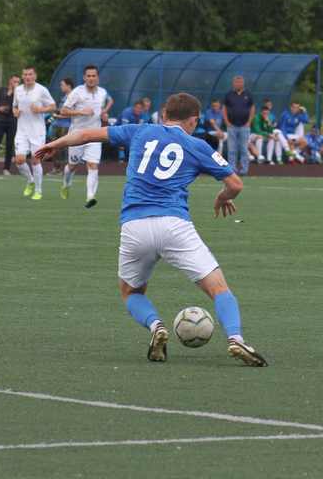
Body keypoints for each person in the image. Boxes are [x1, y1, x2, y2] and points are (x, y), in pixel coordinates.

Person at [34, 92, 267, 367]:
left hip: (134, 226)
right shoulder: (199, 145)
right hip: (174, 225)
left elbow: (85, 135)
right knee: (218, 289)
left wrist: (55, 144)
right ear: (194, 120)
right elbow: (236, 185)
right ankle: (236, 339)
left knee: (131, 292)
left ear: (164, 116)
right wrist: (222, 197)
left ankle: (156, 326)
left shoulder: (140, 131)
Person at [58, 65, 107, 207]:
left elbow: (100, 110)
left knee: (93, 165)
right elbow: (63, 111)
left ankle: (90, 196)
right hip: (77, 135)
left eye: (94, 76)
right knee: (72, 166)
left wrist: (103, 115)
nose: (91, 78)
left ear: (97, 78)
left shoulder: (102, 93)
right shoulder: (77, 92)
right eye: (88, 76)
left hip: (95, 135)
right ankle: (66, 184)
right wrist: (81, 112)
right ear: (84, 78)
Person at [12, 67, 56, 200]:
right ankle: (30, 180)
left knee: (35, 160)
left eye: (30, 74)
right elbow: (14, 106)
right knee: (19, 160)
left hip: (37, 131)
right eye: (25, 74)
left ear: (35, 76)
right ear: (22, 76)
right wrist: (15, 111)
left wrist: (40, 109)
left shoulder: (41, 90)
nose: (27, 77)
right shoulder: (18, 89)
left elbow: (53, 106)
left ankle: (38, 190)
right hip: (21, 131)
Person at [224, 75, 255, 176]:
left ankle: (244, 170)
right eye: (236, 82)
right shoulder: (229, 95)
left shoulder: (248, 94)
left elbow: (252, 108)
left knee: (244, 149)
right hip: (231, 126)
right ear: (233, 83)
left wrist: (249, 122)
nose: (238, 84)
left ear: (243, 83)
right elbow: (224, 109)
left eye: (240, 82)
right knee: (232, 149)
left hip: (244, 126)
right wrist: (227, 122)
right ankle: (232, 169)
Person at [49, 78, 75, 174]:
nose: (61, 87)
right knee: (55, 147)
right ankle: (57, 168)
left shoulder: (73, 97)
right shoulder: (64, 96)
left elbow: (71, 113)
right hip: (58, 125)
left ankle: (66, 169)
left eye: (62, 85)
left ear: (68, 86)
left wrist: (58, 115)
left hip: (66, 126)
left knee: (64, 148)